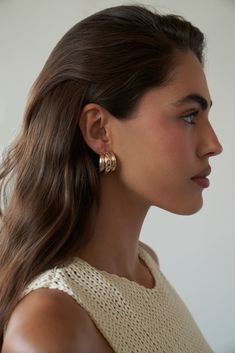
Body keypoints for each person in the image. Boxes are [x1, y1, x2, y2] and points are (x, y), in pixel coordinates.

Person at [0, 4, 222, 353]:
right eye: (190, 116)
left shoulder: (146, 266)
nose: (214, 145)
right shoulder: (50, 328)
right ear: (99, 130)